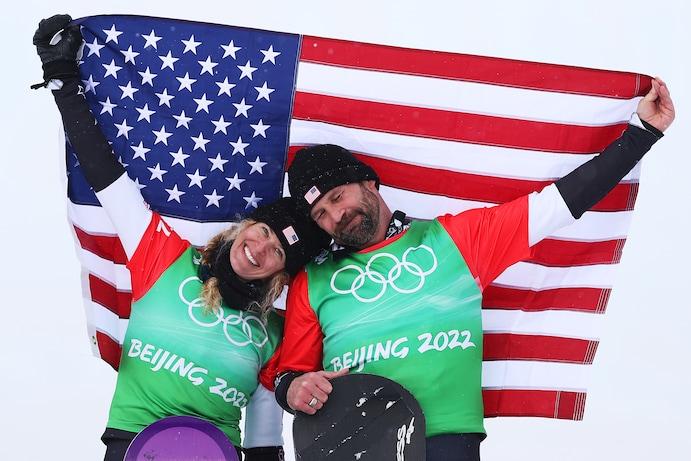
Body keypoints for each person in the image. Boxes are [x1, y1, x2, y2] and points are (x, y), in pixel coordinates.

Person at [273, 73, 675, 459]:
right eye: (321, 213)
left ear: (369, 183)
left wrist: (642, 133)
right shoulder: (315, 280)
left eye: (339, 196)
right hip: (351, 442)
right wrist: (294, 389)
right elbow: (288, 372)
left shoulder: (456, 240)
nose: (336, 215)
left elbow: (560, 202)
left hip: (445, 439)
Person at [32, 15, 331, 461]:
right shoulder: (164, 256)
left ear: (280, 276)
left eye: (277, 254)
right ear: (246, 224)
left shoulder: (272, 333)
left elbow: (264, 438)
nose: (260, 248)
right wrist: (64, 83)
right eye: (264, 231)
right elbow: (106, 177)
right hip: (135, 445)